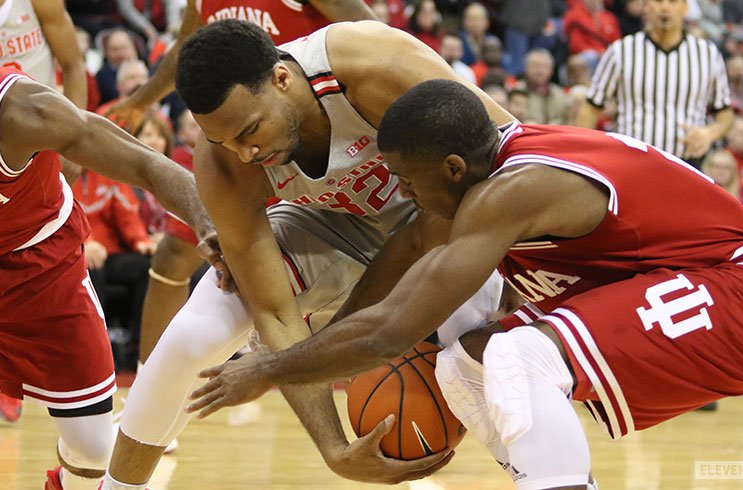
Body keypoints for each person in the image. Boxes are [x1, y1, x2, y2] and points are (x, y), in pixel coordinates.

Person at [186, 79, 743, 489]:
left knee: (519, 352)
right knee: (468, 364)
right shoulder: (472, 185)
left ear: (453, 167)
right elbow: (405, 255)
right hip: (698, 286)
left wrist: (272, 370)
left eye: (407, 179)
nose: (401, 194)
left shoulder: (514, 191)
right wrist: (321, 342)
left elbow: (394, 330)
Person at [101, 20, 515, 490]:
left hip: (441, 222)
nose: (245, 151)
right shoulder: (224, 162)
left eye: (251, 129)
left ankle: (551, 479)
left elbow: (509, 159)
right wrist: (333, 448)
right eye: (225, 140)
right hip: (329, 226)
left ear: (282, 79)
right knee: (196, 331)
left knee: (482, 362)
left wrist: (526, 273)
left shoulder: (371, 64)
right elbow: (276, 314)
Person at [0, 7, 216, 490]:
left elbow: (145, 165)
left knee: (94, 449)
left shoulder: (19, 111)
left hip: (31, 259)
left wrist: (207, 218)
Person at [0, 0, 89, 426]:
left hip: (35, 141)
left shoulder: (37, 2)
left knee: (36, 262)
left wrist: (74, 135)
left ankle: (6, 365)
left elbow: (72, 61)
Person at [106, 0, 377, 130]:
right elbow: (184, 51)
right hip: (248, 131)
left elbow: (372, 32)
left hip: (324, 120)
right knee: (183, 241)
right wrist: (139, 102)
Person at [577, 0, 734, 166]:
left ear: (685, 7)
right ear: (646, 6)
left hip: (687, 164)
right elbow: (591, 109)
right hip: (631, 162)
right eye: (658, 1)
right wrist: (583, 158)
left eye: (673, 1)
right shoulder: (621, 51)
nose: (665, 7)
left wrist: (709, 133)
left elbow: (725, 115)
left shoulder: (707, 54)